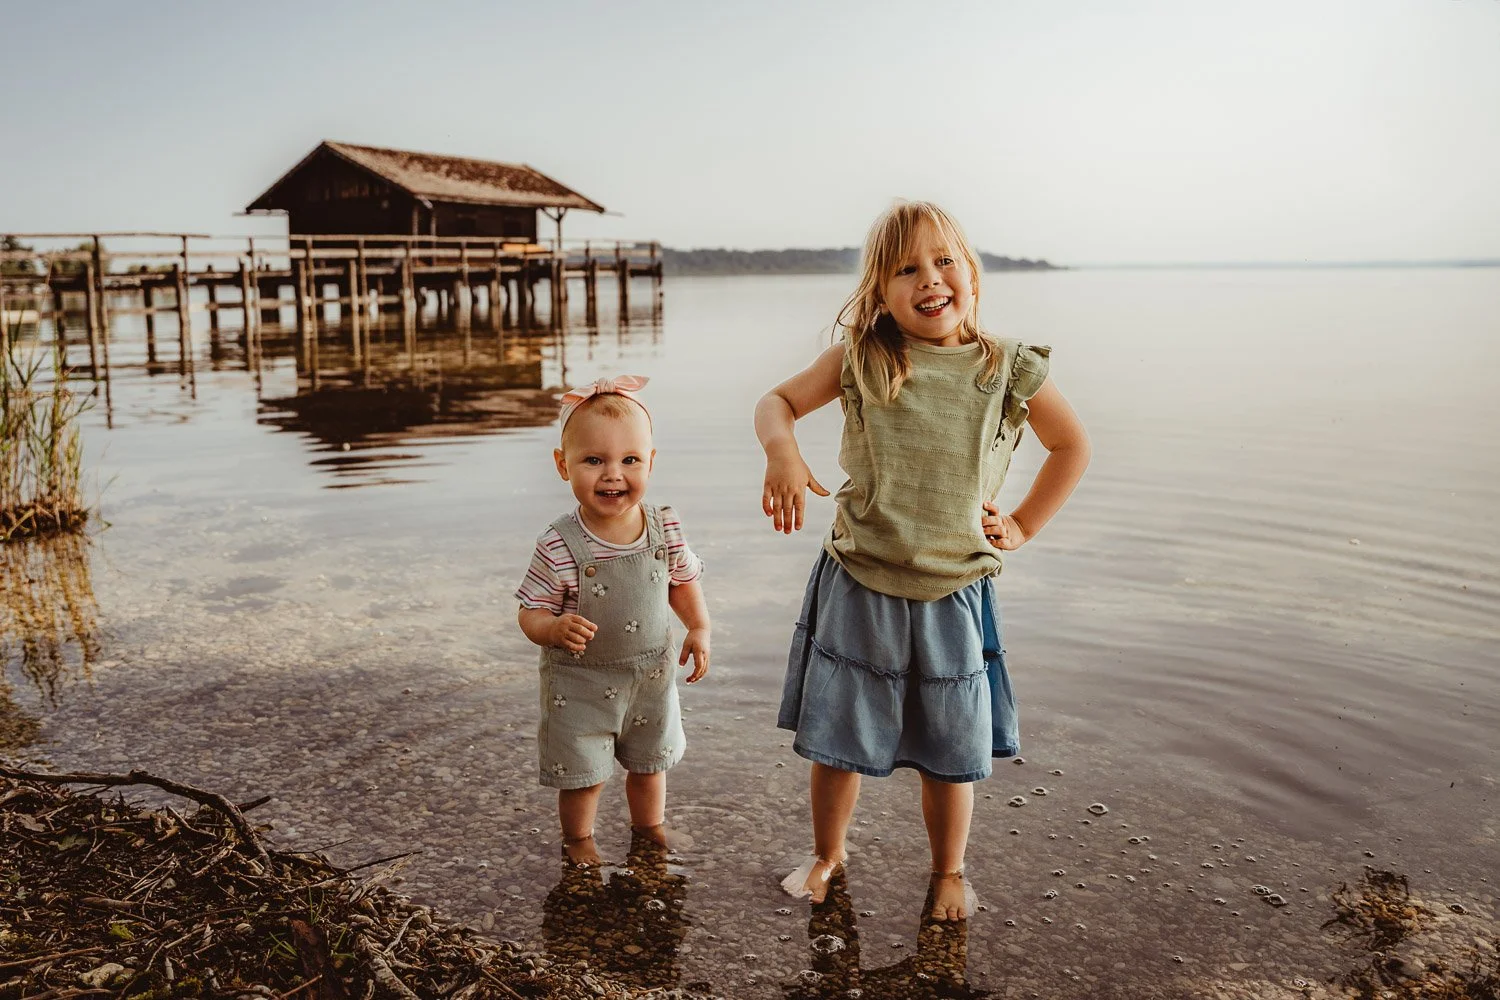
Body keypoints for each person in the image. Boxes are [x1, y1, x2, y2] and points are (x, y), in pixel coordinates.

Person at [755, 201, 1090, 920]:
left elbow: (1072, 447)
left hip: (954, 589)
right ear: (880, 291)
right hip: (860, 579)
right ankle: (826, 855)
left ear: (971, 273)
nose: (929, 279)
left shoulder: (1008, 368)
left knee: (949, 745)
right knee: (839, 740)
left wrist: (1026, 523)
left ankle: (948, 871)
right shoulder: (863, 358)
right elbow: (777, 401)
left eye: (944, 262)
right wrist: (783, 454)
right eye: (906, 269)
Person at [517, 376, 711, 868]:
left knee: (650, 764)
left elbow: (682, 582)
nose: (612, 475)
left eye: (629, 460)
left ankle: (649, 828)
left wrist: (699, 627)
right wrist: (551, 629)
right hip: (580, 680)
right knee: (584, 772)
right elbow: (530, 610)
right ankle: (579, 839)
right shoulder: (559, 543)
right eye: (593, 460)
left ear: (650, 462)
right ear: (563, 465)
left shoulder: (664, 526)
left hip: (650, 676)